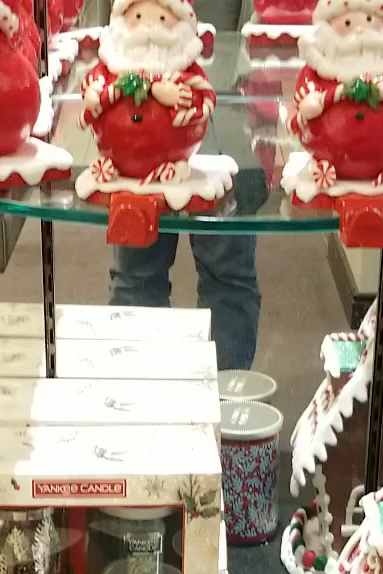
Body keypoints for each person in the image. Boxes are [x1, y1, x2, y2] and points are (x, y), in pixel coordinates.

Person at [103, 0, 263, 371]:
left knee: (224, 270)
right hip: (139, 119)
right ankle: (140, 389)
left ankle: (222, 395)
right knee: (138, 269)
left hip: (229, 103)